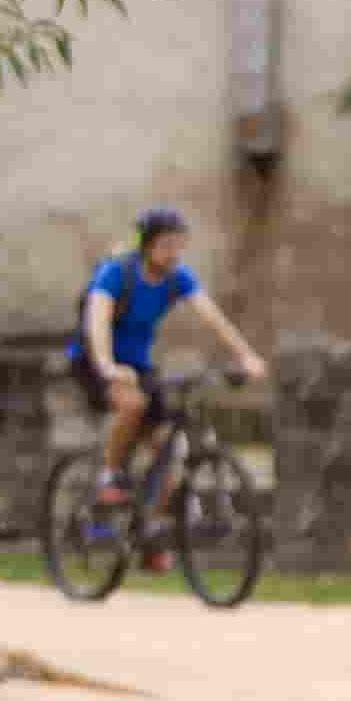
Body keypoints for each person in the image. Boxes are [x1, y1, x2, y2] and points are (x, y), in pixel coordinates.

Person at [74, 205, 266, 512]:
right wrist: (107, 365)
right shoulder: (115, 273)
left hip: (138, 365)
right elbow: (97, 322)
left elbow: (213, 318)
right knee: (133, 403)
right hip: (94, 360)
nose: (174, 253)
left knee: (171, 452)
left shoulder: (176, 278)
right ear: (146, 245)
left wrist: (246, 356)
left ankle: (153, 533)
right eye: (166, 246)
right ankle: (108, 476)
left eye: (179, 245)